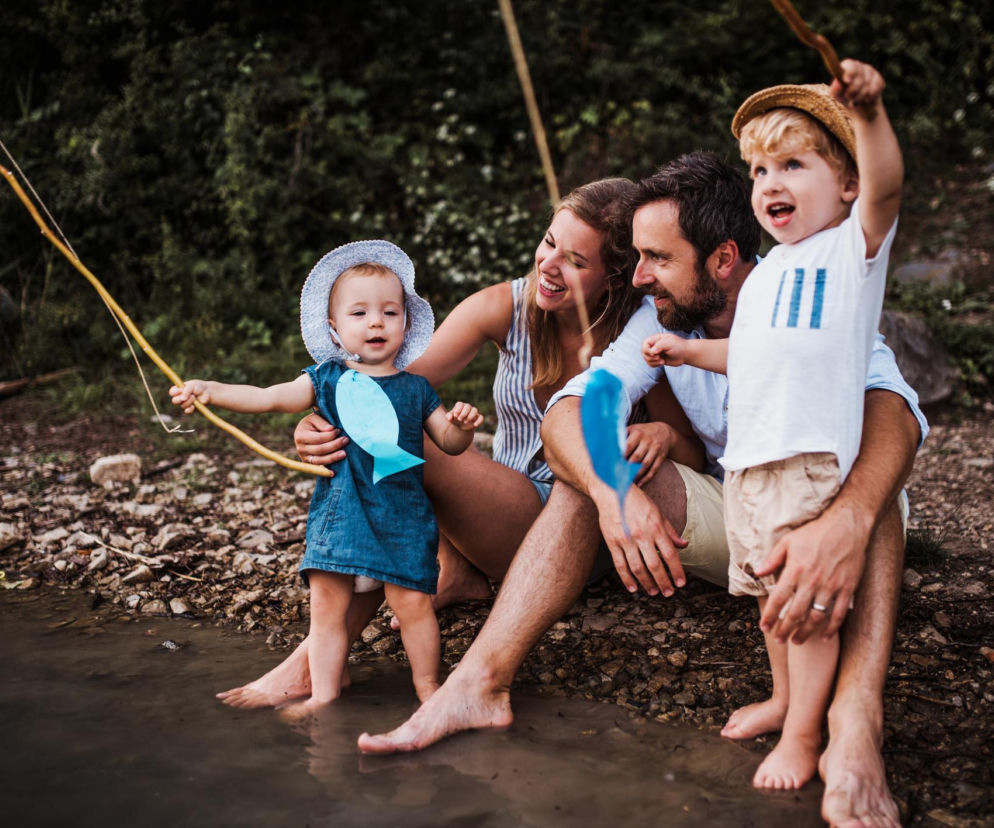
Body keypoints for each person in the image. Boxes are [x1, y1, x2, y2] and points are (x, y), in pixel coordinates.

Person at [356, 149, 927, 828]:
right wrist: (612, 496)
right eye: (634, 257)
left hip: (819, 511)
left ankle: (857, 723)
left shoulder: (806, 286)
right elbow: (576, 405)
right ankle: (477, 684)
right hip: (727, 512)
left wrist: (851, 517)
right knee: (594, 471)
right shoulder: (657, 317)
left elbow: (893, 407)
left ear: (721, 260)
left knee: (876, 488)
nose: (640, 275)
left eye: (657, 257)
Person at [217, 178, 700, 709]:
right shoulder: (506, 305)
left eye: (576, 262)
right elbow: (383, 388)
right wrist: (314, 420)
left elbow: (694, 459)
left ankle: (312, 661)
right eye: (547, 242)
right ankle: (420, 594)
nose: (549, 265)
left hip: (577, 531)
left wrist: (663, 432)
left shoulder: (641, 333)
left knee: (407, 454)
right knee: (394, 446)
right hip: (504, 508)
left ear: (614, 277)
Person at [640, 61, 903, 790]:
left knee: (803, 612)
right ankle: (786, 697)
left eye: (794, 164)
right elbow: (751, 354)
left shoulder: (850, 250)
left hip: (807, 461)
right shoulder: (770, 275)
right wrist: (690, 350)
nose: (771, 183)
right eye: (759, 170)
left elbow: (887, 185)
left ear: (845, 184)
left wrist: (872, 115)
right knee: (767, 600)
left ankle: (804, 732)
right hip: (753, 468)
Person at [170, 240, 484, 712]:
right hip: (341, 515)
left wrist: (461, 428)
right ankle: (324, 693)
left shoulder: (417, 388)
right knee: (326, 612)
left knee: (414, 605)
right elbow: (269, 396)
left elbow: (448, 442)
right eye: (359, 313)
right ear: (335, 329)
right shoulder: (327, 379)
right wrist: (210, 390)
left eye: (389, 312)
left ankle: (428, 689)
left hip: (401, 517)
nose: (376, 322)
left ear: (406, 322)